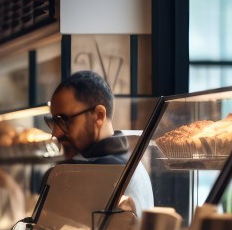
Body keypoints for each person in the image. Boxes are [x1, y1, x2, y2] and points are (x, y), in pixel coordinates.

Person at [47, 70, 154, 215]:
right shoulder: (129, 163)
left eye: (64, 121)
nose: (56, 134)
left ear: (99, 115)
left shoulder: (111, 172)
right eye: (54, 123)